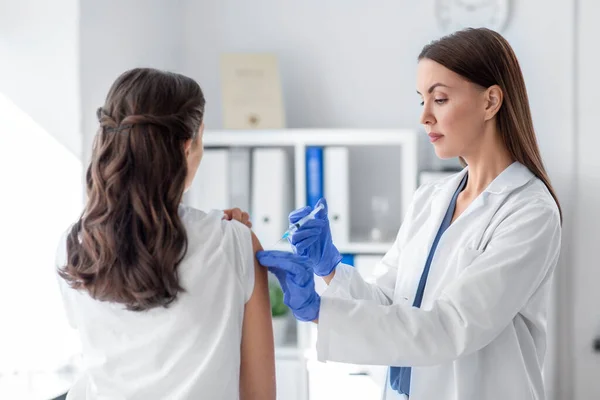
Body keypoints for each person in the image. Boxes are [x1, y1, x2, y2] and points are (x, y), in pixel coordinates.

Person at [256, 28, 563, 400]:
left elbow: (452, 327)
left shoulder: (529, 211)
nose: (425, 118)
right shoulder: (430, 199)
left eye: (440, 99)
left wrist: (320, 311)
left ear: (491, 101)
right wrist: (330, 268)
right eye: (422, 100)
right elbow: (392, 303)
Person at [55, 68, 275, 400]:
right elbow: (260, 394)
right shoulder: (235, 244)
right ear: (189, 146)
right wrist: (232, 240)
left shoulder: (76, 247)